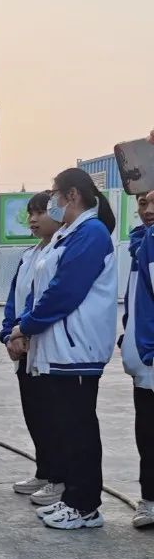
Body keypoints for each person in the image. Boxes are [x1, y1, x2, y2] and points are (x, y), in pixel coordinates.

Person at [6, 168, 118, 531]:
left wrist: (26, 327)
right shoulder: (69, 234)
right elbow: (37, 291)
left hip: (76, 350)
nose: (49, 201)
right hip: (57, 350)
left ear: (71, 195)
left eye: (53, 194)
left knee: (79, 429)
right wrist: (19, 329)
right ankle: (73, 499)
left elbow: (64, 291)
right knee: (67, 429)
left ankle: (85, 505)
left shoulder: (91, 233)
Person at [0, 193, 63, 505]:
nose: (34, 219)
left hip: (44, 347)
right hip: (23, 347)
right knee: (34, 414)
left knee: (52, 416)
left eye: (40, 212)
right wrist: (9, 334)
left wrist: (24, 331)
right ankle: (44, 470)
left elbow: (45, 301)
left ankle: (58, 478)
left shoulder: (57, 253)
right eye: (31, 213)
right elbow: (15, 299)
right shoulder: (29, 255)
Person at [124, 189, 154, 528]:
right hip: (145, 361)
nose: (148, 210)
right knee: (147, 433)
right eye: (143, 204)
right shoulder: (141, 245)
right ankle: (149, 500)